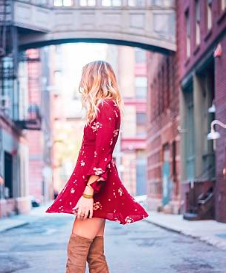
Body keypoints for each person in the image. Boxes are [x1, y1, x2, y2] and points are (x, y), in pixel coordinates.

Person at [46, 60, 148, 273]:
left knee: (76, 250)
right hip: (97, 188)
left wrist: (88, 194)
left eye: (85, 77)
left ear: (94, 78)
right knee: (94, 254)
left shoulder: (105, 107)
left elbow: (102, 155)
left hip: (96, 189)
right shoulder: (106, 107)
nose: (82, 83)